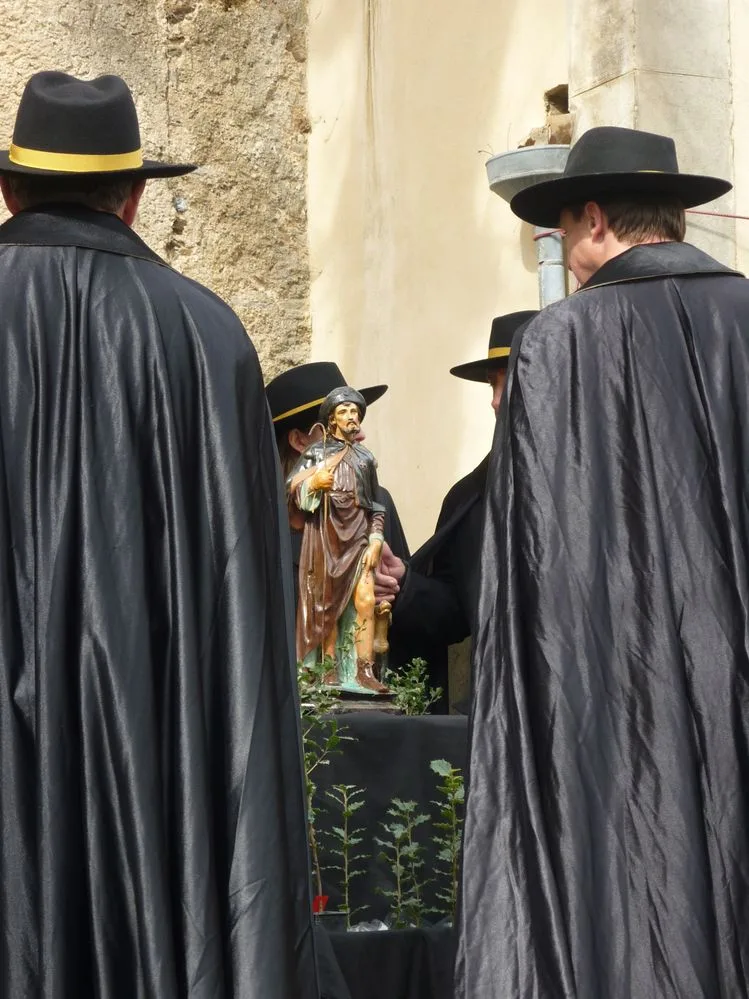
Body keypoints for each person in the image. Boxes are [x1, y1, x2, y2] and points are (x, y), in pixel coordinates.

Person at [0, 72, 315, 998]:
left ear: (9, 188)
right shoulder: (207, 338)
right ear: (135, 195)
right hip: (158, 797)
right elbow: (240, 630)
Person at [456, 125, 749, 998]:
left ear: (594, 217)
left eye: (560, 231)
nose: (565, 259)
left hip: (624, 718)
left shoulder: (556, 345)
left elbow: (535, 576)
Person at [374, 311, 537, 710]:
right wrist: (405, 586)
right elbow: (454, 613)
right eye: (492, 385)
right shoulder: (470, 496)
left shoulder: (601, 479)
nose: (496, 401)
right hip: (505, 705)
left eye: (508, 381)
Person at [266, 361, 410, 577]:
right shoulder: (266, 519)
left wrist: (399, 585)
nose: (359, 434)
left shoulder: (378, 499)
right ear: (299, 441)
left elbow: (406, 601)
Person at [288, 387, 388, 693]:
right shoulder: (316, 454)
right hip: (325, 536)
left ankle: (364, 671)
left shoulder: (365, 459)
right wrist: (314, 484)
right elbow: (292, 489)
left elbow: (376, 504)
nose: (351, 417)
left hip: (358, 536)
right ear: (332, 419)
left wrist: (376, 537)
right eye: (344, 411)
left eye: (355, 412)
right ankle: (328, 667)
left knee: (366, 600)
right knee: (327, 602)